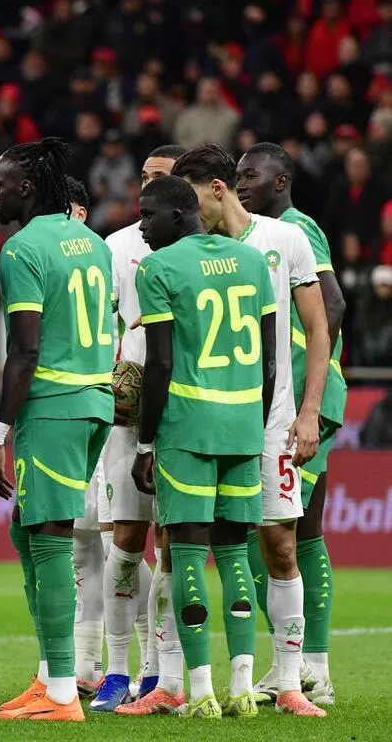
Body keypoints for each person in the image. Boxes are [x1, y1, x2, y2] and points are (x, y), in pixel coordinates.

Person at [175, 143, 330, 717]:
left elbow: (318, 329)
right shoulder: (188, 249)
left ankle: (289, 681)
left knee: (280, 543)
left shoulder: (284, 240)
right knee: (191, 547)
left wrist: (309, 410)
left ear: (217, 190)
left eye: (194, 200)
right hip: (205, 424)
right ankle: (175, 681)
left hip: (272, 424)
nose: (188, 215)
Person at [130, 174, 277, 719]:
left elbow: (161, 363)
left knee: (188, 551)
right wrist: (252, 424)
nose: (142, 226)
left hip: (188, 429)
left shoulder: (159, 269)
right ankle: (242, 687)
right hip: (242, 426)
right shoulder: (252, 261)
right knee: (236, 551)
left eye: (148, 214)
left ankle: (201, 692)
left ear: (178, 213)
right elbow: (269, 361)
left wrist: (146, 442)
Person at [0, 138, 114, 723]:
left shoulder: (23, 249)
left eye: (2, 182)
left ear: (29, 188)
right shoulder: (92, 243)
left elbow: (26, 349)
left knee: (49, 537)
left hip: (54, 405)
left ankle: (63, 692)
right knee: (27, 529)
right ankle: (48, 676)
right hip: (95, 401)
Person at [236, 141, 346, 709]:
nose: (242, 182)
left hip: (303, 400)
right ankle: (306, 666)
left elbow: (333, 306)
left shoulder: (298, 228)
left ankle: (308, 667)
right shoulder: (255, 235)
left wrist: (311, 395)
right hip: (288, 400)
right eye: (238, 174)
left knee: (279, 530)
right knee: (297, 531)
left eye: (252, 174)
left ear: (281, 182)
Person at [92, 145, 189, 715]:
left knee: (175, 548)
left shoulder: (205, 251)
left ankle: (161, 675)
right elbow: (102, 323)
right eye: (144, 177)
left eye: (160, 179)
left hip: (185, 411)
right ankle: (116, 670)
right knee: (124, 542)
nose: (145, 188)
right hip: (128, 412)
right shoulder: (117, 246)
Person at [64, 172, 109, 698]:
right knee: (82, 546)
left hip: (93, 411)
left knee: (110, 543)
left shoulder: (101, 253)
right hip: (81, 408)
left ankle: (152, 659)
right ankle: (85, 664)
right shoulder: (101, 252)